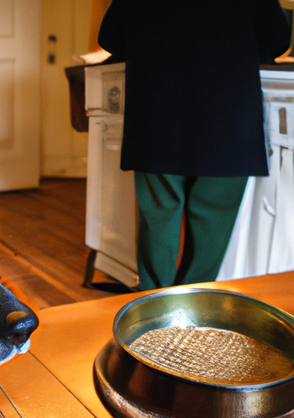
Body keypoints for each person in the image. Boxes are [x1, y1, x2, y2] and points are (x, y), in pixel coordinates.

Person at [96, 0, 290, 290]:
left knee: (159, 215)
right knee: (213, 221)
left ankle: (153, 306)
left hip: (157, 115)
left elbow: (110, 38)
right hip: (228, 115)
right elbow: (276, 37)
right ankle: (190, 307)